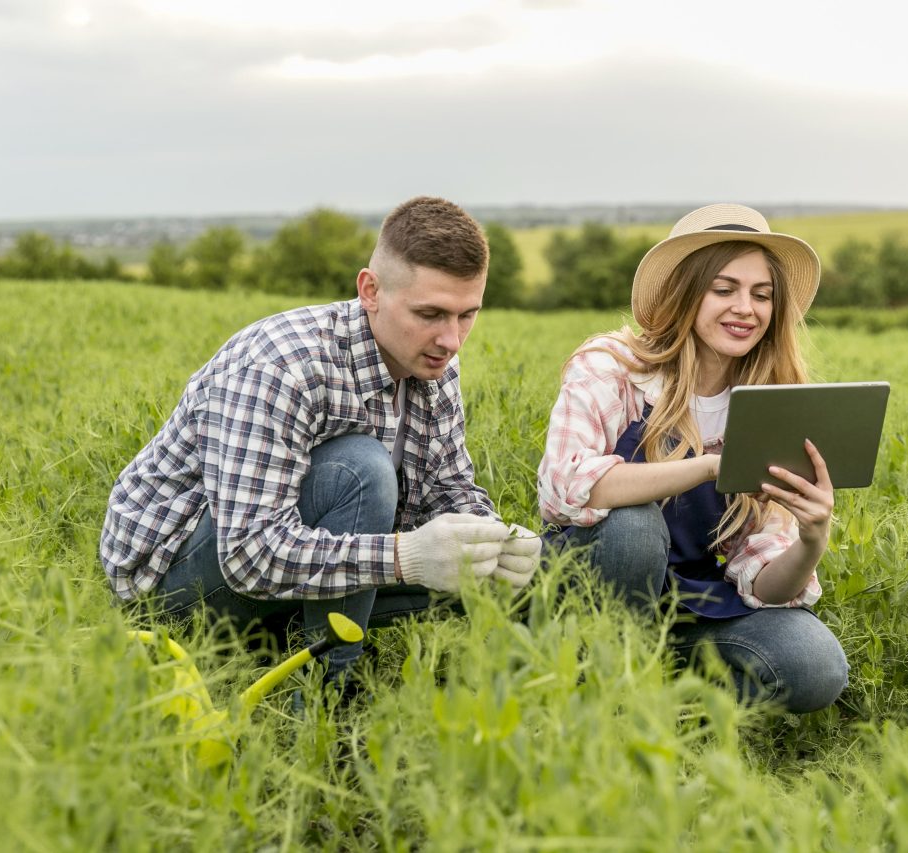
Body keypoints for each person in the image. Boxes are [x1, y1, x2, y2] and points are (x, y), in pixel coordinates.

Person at [101, 196, 542, 678]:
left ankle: (292, 637)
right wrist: (403, 558)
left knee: (464, 562)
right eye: (430, 314)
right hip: (174, 588)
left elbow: (448, 489)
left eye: (467, 315)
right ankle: (328, 696)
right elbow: (248, 556)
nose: (452, 340)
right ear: (370, 290)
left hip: (283, 576)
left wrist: (494, 540)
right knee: (362, 469)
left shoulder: (434, 365)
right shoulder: (281, 367)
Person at [537, 204, 848, 713]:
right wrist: (708, 466)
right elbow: (563, 487)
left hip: (691, 602)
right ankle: (598, 679)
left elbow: (765, 582)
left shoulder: (770, 401)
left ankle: (667, 705)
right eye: (724, 289)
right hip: (590, 584)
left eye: (761, 294)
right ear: (685, 291)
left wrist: (812, 540)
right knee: (633, 528)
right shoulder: (614, 367)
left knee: (816, 665)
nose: (745, 308)